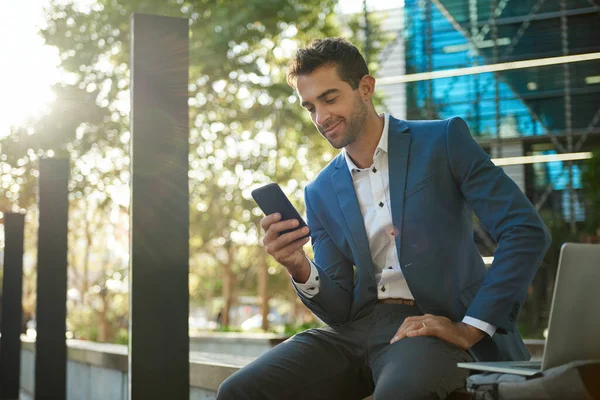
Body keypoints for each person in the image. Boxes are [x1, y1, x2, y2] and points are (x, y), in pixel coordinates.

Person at [217, 37, 551, 400]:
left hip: (430, 325)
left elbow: (525, 230)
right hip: (356, 329)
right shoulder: (320, 191)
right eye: (310, 106)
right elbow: (339, 306)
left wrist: (469, 328)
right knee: (239, 391)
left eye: (330, 99)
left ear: (366, 87)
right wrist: (299, 266)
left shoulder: (442, 140)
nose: (321, 117)